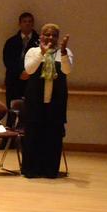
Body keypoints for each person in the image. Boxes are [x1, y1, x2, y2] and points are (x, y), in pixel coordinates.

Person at [21, 24, 72, 179]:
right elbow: (29, 70)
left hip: (56, 101)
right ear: (41, 36)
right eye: (47, 34)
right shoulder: (33, 51)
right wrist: (42, 53)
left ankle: (50, 170)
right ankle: (31, 169)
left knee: (53, 136)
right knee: (32, 135)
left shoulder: (64, 52)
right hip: (35, 101)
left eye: (54, 35)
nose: (51, 38)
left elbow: (67, 70)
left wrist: (62, 53)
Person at [2, 12, 38, 110]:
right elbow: (7, 61)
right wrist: (19, 73)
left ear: (33, 24)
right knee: (12, 111)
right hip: (13, 81)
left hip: (32, 82)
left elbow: (40, 61)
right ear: (20, 24)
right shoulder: (11, 42)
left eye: (30, 21)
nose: (27, 24)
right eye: (24, 21)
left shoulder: (39, 42)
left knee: (30, 111)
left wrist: (29, 73)